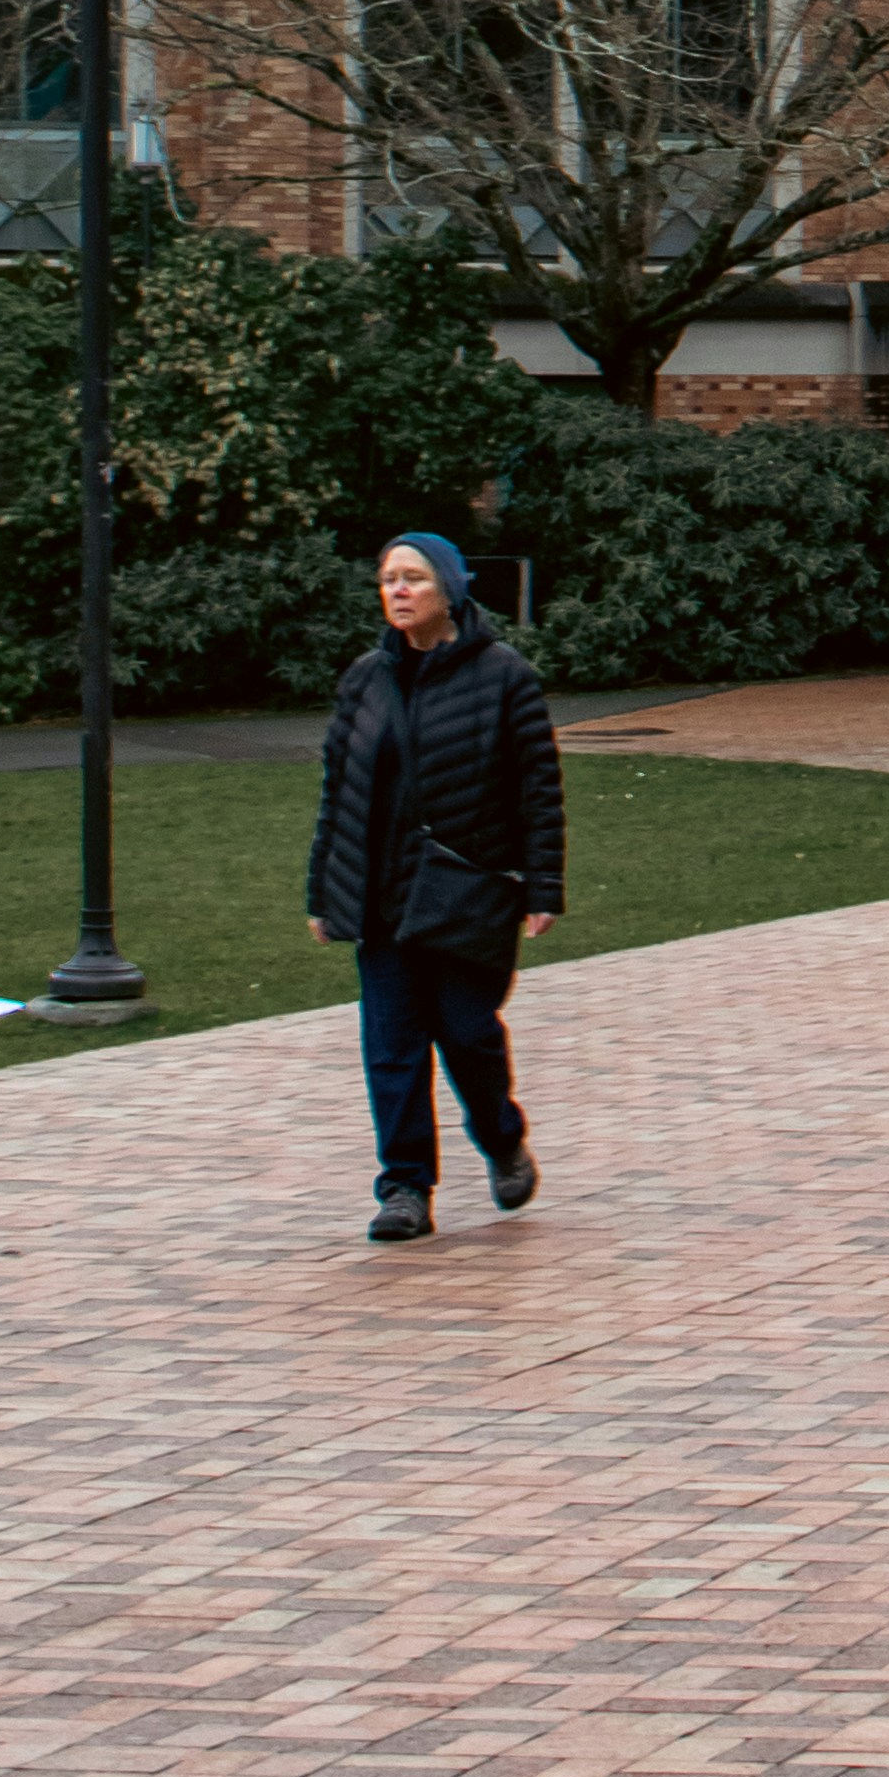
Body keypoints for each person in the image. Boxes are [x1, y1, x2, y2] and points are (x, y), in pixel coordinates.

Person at [303, 532, 564, 1244]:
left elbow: (537, 787)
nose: (398, 591)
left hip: (465, 889)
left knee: (468, 1033)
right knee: (392, 1044)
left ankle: (502, 1138)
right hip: (381, 892)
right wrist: (323, 891)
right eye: (388, 579)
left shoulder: (504, 675)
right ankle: (405, 1188)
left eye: (413, 578)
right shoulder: (365, 679)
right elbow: (339, 792)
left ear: (448, 589)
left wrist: (543, 885)